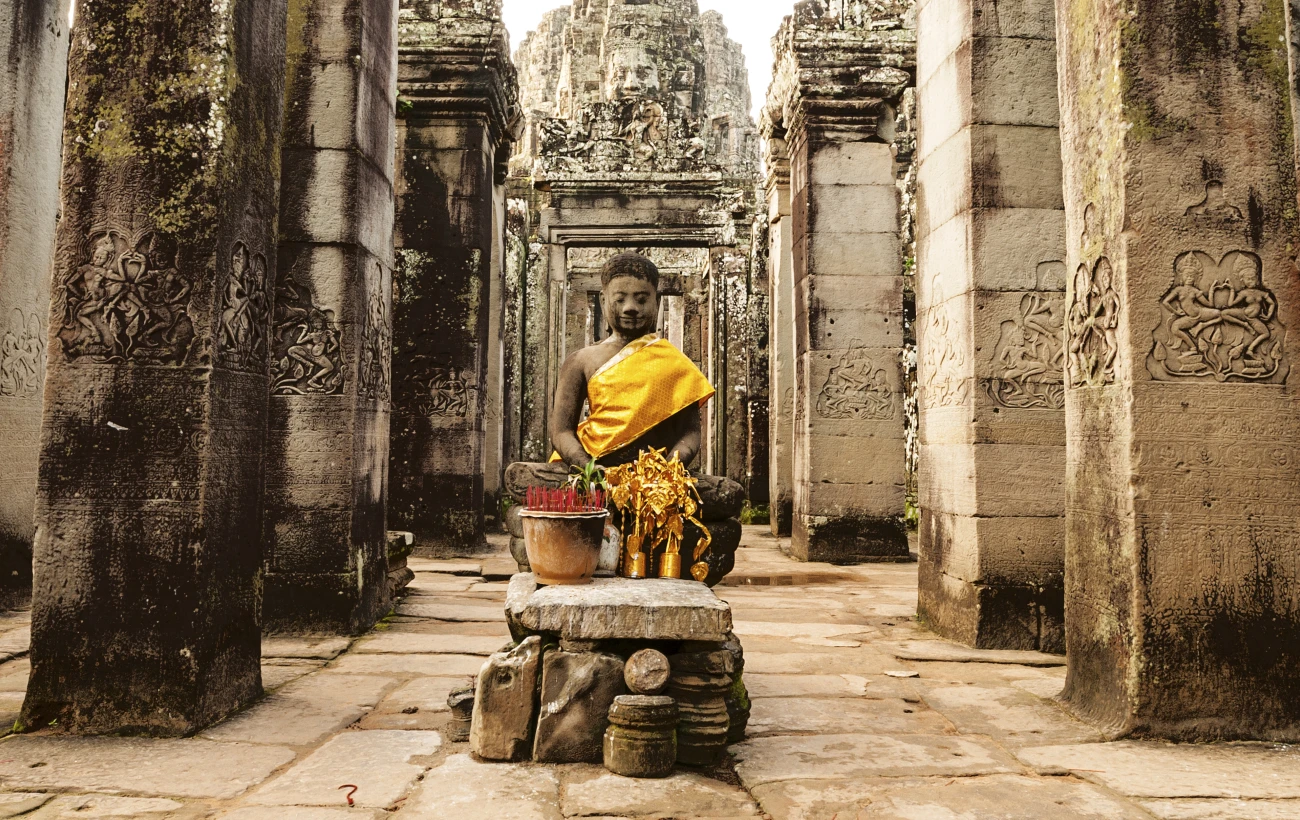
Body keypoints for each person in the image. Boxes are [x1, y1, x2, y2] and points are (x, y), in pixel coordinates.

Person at [550, 253, 714, 468]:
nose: (630, 307)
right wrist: (586, 466)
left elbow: (689, 432)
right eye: (620, 299)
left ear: (656, 302)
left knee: (727, 487)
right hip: (592, 466)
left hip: (655, 472)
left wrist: (670, 467)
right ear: (603, 300)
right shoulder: (581, 361)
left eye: (642, 299)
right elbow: (562, 432)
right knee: (522, 472)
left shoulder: (674, 362)